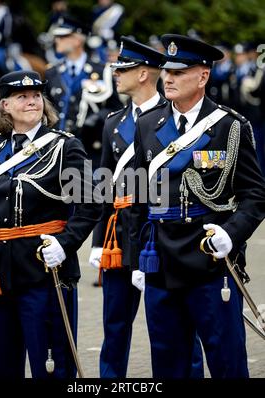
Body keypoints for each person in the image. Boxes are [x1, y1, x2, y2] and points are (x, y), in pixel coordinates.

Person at [130, 33, 265, 378]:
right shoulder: (148, 124)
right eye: (167, 71)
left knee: (227, 362)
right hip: (160, 262)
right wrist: (135, 260)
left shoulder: (229, 126)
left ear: (203, 76)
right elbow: (138, 198)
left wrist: (231, 234)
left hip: (210, 261)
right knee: (168, 364)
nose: (169, 78)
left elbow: (255, 195)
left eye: (180, 72)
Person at [0, 70, 101, 379]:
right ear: (4, 105)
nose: (32, 101)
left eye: (36, 96)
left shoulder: (64, 146)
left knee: (51, 365)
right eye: (22, 97)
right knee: (0, 365)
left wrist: (65, 244)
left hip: (45, 269)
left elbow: (90, 205)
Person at [89, 36, 203, 378]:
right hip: (119, 236)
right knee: (114, 326)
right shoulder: (113, 121)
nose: (115, 74)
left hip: (160, 234)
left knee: (176, 330)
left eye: (122, 69)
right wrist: (97, 240)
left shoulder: (171, 116)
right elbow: (103, 185)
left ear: (142, 74)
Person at [45, 17, 122, 170]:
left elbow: (117, 109)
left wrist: (98, 117)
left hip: (90, 151)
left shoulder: (102, 71)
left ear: (77, 40)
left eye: (62, 36)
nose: (57, 40)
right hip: (56, 151)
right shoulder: (52, 72)